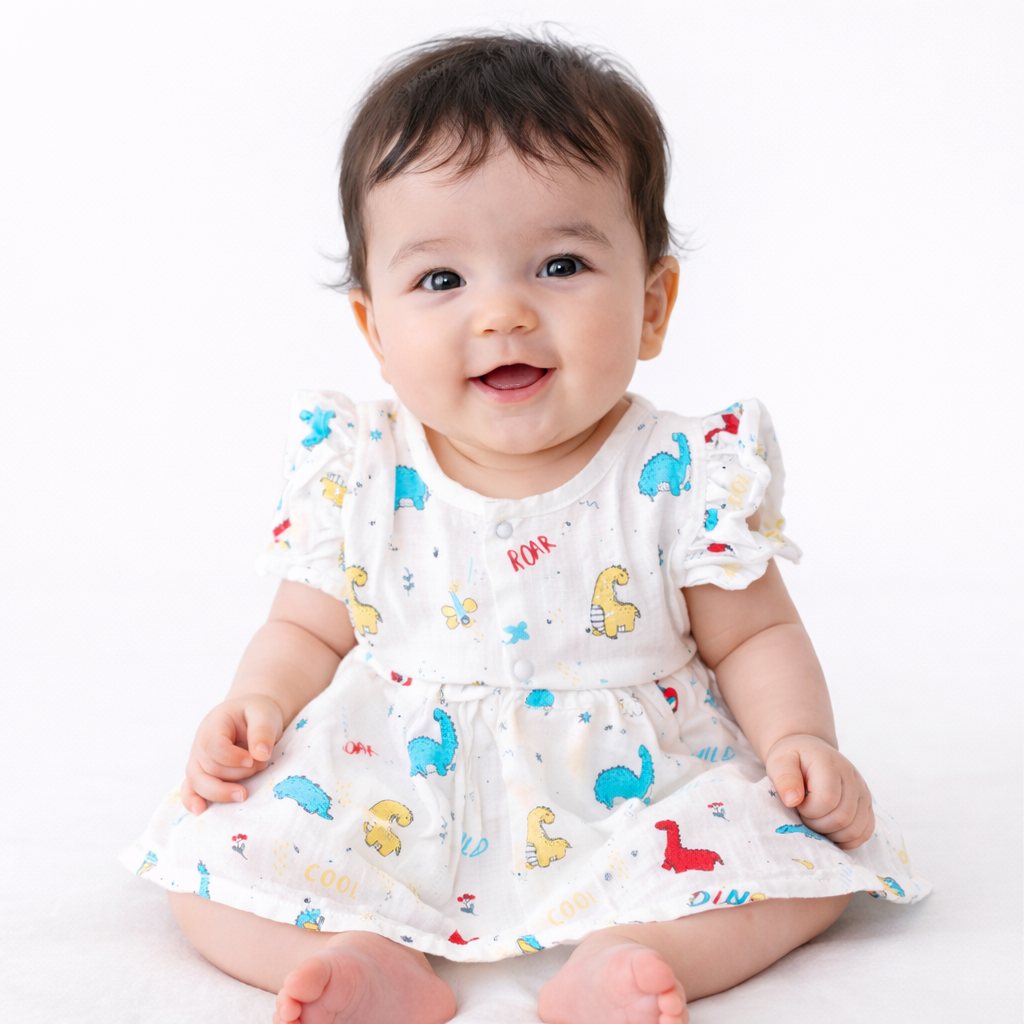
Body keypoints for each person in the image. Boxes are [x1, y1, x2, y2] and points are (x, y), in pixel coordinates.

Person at [122, 33, 928, 1024]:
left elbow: (754, 633)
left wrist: (798, 738)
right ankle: (360, 956)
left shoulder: (682, 474)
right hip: (392, 780)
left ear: (652, 304)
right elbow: (305, 626)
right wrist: (254, 703)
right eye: (441, 280)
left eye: (559, 264)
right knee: (203, 863)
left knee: (805, 868)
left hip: (632, 792)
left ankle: (637, 953)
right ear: (376, 332)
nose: (502, 313)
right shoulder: (361, 471)